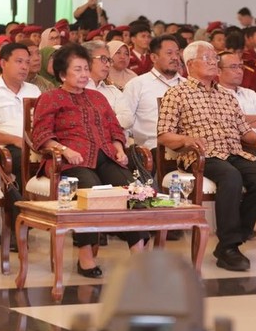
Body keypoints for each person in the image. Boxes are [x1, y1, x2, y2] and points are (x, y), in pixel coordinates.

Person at [32, 44, 149, 278]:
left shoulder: (98, 97)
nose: (84, 74)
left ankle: (139, 253)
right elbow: (41, 135)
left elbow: (114, 128)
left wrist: (118, 148)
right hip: (71, 161)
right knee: (89, 189)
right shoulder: (50, 98)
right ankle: (85, 255)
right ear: (62, 74)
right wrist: (64, 150)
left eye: (86, 68)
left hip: (105, 156)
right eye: (78, 70)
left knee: (133, 190)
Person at [157, 41, 256, 272]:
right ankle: (230, 247)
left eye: (214, 59)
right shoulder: (177, 93)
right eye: (207, 59)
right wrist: (185, 140)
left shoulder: (227, 96)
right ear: (191, 64)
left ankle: (232, 239)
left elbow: (244, 131)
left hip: (233, 151)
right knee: (231, 178)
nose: (214, 63)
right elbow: (163, 135)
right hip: (201, 155)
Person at [0, 42, 40, 187]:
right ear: (3, 63)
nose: (24, 67)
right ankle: (22, 206)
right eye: (19, 61)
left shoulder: (34, 90)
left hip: (35, 144)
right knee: (23, 160)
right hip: (3, 148)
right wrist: (15, 140)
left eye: (27, 62)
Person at [117, 35, 185, 154]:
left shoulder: (188, 85)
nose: (175, 57)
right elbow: (125, 123)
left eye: (177, 53)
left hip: (188, 148)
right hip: (151, 149)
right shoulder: (137, 84)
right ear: (154, 57)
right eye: (169, 53)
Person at [217, 51, 256, 134]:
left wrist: (239, 125)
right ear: (218, 71)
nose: (239, 71)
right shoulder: (215, 95)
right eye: (233, 67)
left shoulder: (250, 94)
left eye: (240, 67)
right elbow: (227, 125)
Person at [83, 41, 126, 116]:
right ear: (87, 60)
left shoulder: (113, 91)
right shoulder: (75, 89)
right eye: (103, 59)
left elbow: (127, 119)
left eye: (109, 60)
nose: (108, 65)